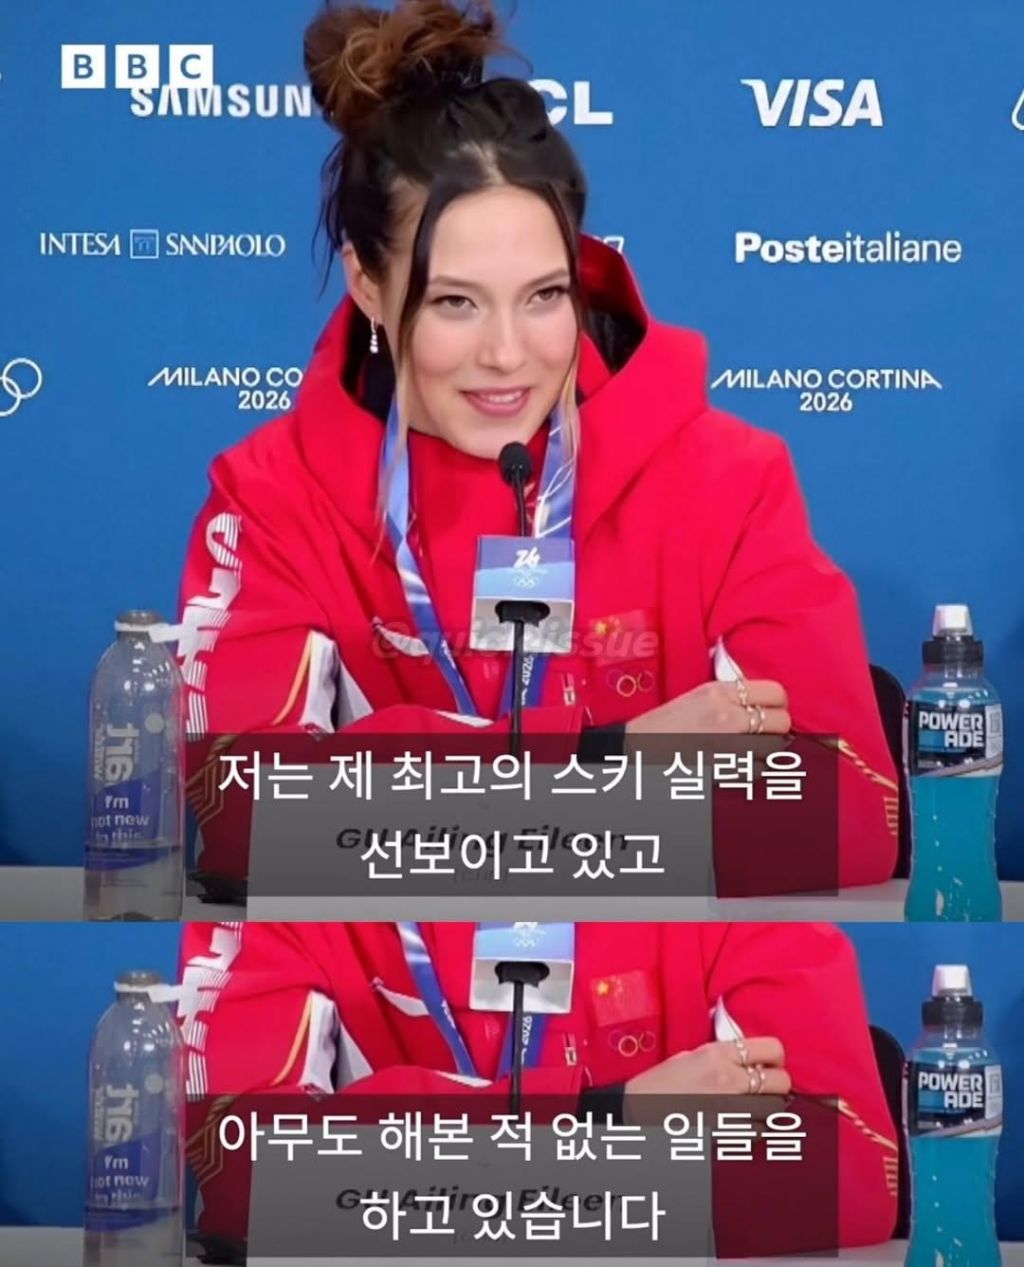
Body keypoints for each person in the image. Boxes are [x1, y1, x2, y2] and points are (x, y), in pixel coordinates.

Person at [176, 0, 898, 889]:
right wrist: (613, 756)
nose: (508, 354)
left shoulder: (729, 478)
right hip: (400, 980)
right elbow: (244, 822)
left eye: (544, 295)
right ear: (367, 283)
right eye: (456, 302)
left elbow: (849, 816)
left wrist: (409, 807)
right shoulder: (270, 497)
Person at [180, 920, 899, 1254]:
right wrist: (609, 1118)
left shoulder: (736, 894)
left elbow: (844, 1183)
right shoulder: (278, 899)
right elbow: (239, 1178)